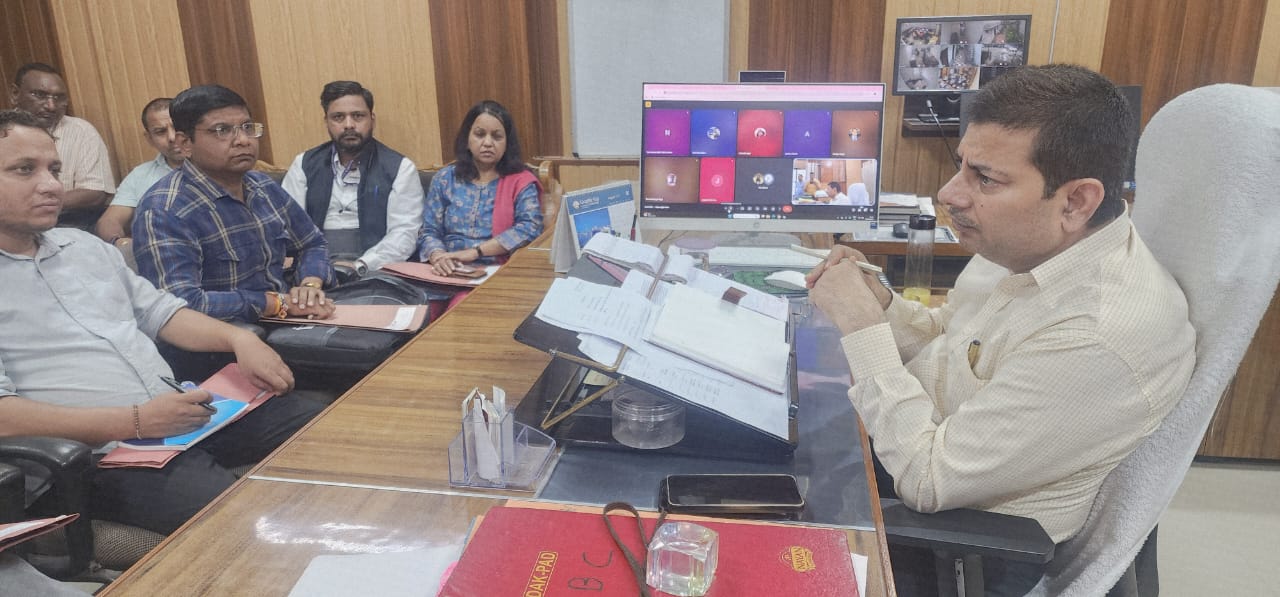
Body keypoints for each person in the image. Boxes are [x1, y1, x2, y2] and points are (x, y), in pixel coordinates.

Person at [806, 64, 1195, 594]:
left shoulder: (1100, 335)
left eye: (985, 179)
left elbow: (926, 479)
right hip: (911, 452)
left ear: (1076, 201)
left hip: (957, 551)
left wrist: (861, 325)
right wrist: (884, 307)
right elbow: (952, 340)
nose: (949, 193)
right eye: (961, 166)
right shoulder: (1028, 244)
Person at [0, 108, 324, 536]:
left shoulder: (81, 247)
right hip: (94, 456)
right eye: (25, 170)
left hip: (176, 417)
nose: (51, 185)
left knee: (326, 427)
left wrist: (238, 340)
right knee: (243, 520)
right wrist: (135, 421)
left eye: (54, 169)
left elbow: (160, 312)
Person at [132, 85, 336, 323]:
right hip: (227, 335)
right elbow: (180, 305)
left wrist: (310, 285)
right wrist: (276, 304)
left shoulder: (263, 186)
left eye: (248, 128)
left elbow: (312, 243)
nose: (243, 140)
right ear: (185, 143)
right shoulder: (164, 210)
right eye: (222, 130)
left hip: (288, 318)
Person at [282, 81, 424, 278]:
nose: (349, 125)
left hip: (376, 270)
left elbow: (405, 233)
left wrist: (361, 265)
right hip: (312, 268)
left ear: (372, 119)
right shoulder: (304, 164)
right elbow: (287, 224)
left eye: (358, 116)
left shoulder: (400, 168)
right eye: (338, 117)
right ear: (326, 121)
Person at [417, 100, 542, 277]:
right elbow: (429, 231)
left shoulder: (520, 182)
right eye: (480, 134)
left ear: (507, 143)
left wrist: (476, 252)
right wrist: (439, 257)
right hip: (446, 271)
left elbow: (530, 228)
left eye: (497, 137)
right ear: (467, 139)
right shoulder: (445, 179)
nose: (488, 143)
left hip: (496, 272)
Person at [8, 62, 114, 230]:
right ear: (15, 94)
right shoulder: (3, 133)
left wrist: (37, 203)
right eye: (40, 95)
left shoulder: (81, 131)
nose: (51, 106)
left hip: (68, 224)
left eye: (59, 98)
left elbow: (95, 193)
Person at [94, 97, 186, 246]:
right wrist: (121, 243)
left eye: (177, 127)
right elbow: (109, 220)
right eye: (160, 132)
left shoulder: (215, 165)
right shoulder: (140, 175)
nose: (172, 137)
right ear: (149, 138)